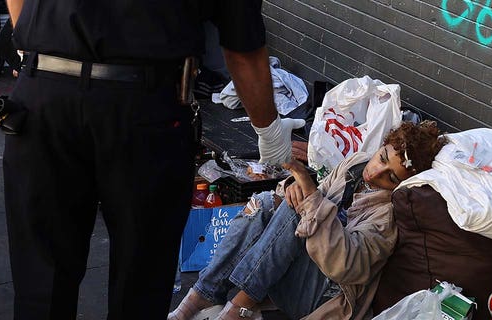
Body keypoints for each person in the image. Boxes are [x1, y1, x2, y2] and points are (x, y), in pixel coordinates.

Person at [1, 1, 305, 319]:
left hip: (44, 94)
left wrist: (40, 53)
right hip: (142, 107)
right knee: (141, 274)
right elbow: (243, 48)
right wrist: (269, 132)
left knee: (42, 277)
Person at [168, 120, 447, 320]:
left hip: (321, 297)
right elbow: (317, 194)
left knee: (299, 208)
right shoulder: (357, 164)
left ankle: (237, 310)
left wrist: (307, 195)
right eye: (382, 158)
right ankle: (200, 296)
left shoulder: (389, 215)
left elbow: (345, 267)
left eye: (392, 177)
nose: (376, 173)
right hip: (289, 272)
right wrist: (291, 186)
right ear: (381, 146)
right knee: (267, 202)